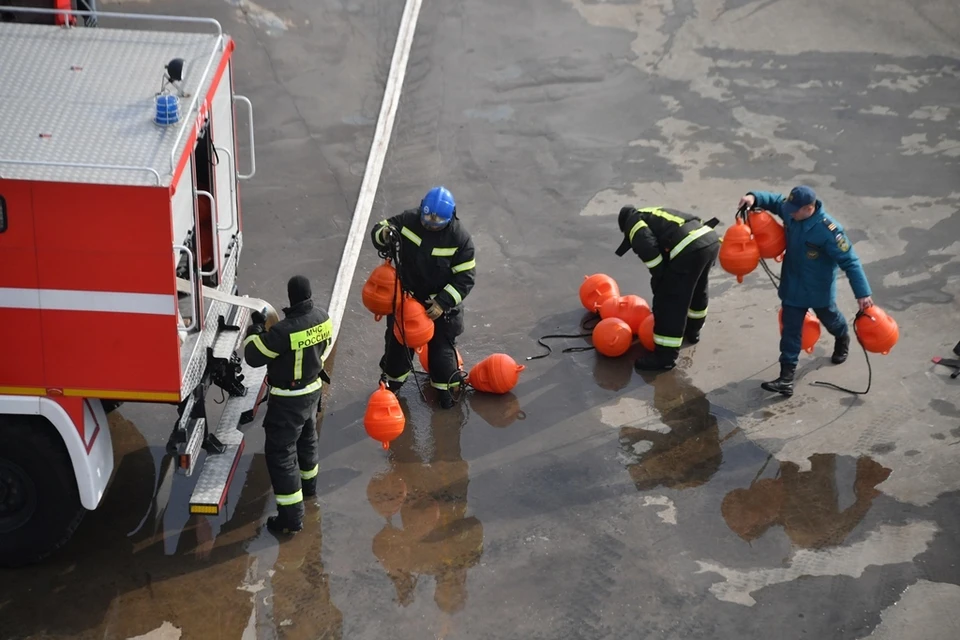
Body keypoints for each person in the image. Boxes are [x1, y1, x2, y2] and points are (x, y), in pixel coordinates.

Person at [738, 185, 873, 397]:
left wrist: (862, 293)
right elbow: (775, 202)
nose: (789, 212)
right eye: (789, 208)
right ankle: (786, 379)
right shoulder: (792, 212)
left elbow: (851, 262)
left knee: (831, 319)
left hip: (818, 290)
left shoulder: (829, 231)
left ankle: (842, 336)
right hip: (793, 286)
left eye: (795, 209)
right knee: (791, 331)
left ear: (809, 208)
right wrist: (753, 197)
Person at [370, 186, 476, 409]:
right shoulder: (410, 220)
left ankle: (445, 391)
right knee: (397, 345)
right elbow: (381, 228)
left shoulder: (459, 239)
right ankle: (391, 385)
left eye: (435, 221)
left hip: (439, 307)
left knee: (441, 351)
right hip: (406, 299)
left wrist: (442, 303)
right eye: (426, 217)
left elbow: (465, 278)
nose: (429, 223)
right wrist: (385, 235)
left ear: (448, 218)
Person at [243, 275, 333, 534]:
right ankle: (309, 489)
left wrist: (256, 329)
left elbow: (253, 355)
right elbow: (323, 347)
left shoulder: (285, 331)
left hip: (288, 400)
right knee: (307, 441)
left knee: (281, 455)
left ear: (291, 298)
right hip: (313, 390)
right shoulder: (324, 318)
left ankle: (291, 519)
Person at [615, 205, 721, 371]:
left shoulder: (633, 223)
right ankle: (693, 331)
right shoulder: (652, 213)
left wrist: (661, 279)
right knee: (698, 288)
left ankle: (664, 357)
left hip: (689, 246)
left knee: (670, 301)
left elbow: (649, 250)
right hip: (709, 240)